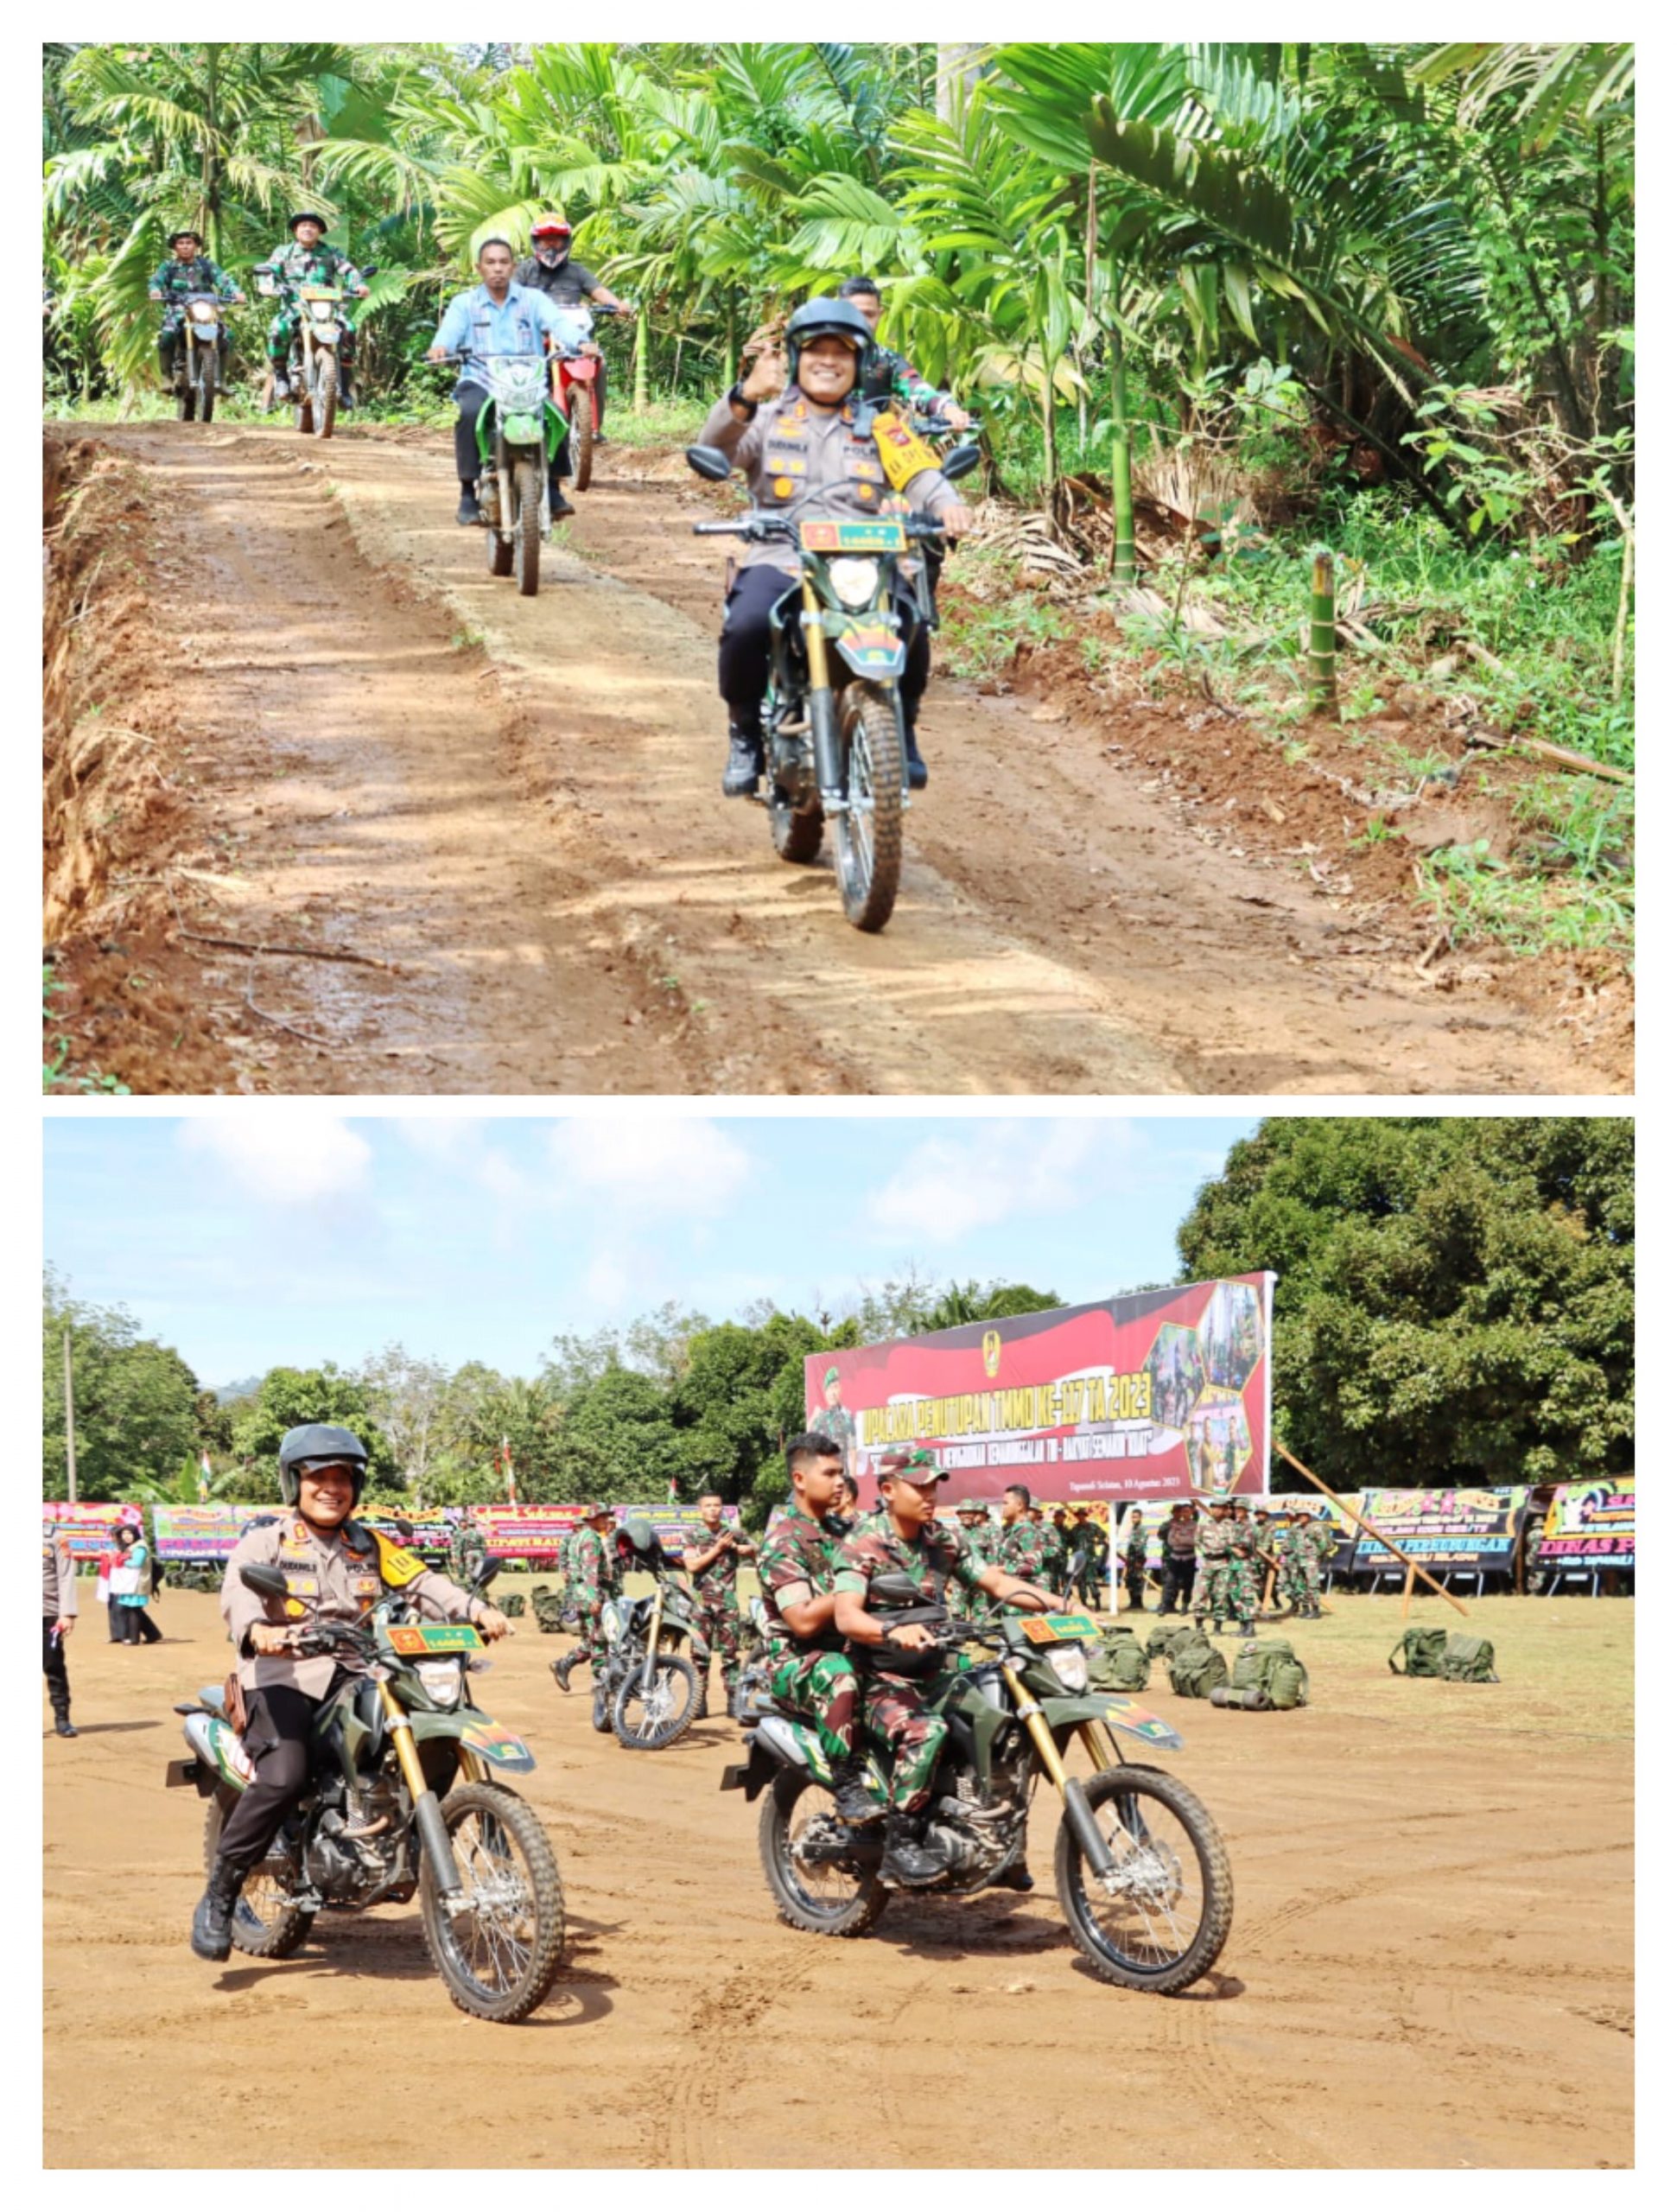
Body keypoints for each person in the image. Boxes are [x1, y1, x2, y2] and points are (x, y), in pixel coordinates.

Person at [190, 1423, 509, 1961]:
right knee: (286, 1774)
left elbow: (422, 1584)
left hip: (358, 1670)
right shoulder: (266, 1540)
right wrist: (258, 1631)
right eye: (318, 1477)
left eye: (342, 1478)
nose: (331, 1488)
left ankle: (393, 1830)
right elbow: (239, 1592)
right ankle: (219, 1898)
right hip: (283, 1674)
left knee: (426, 1716)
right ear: (295, 1483)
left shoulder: (369, 1543)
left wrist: (475, 1609)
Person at [696, 294, 975, 798]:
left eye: (842, 352)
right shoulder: (768, 417)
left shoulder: (882, 424)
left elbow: (923, 475)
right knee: (746, 626)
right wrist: (744, 396)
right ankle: (743, 736)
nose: (829, 361)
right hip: (782, 557)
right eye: (817, 350)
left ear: (858, 362)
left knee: (909, 619)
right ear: (799, 356)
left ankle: (903, 730)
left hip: (861, 561)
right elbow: (715, 448)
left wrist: (948, 505)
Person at [835, 1448, 1057, 1888]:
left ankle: (997, 1844)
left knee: (1004, 1726)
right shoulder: (864, 1542)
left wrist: (1060, 1604)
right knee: (926, 1731)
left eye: (934, 1485)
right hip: (880, 1678)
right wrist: (889, 1632)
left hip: (936, 1671)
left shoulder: (943, 1538)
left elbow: (995, 1582)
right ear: (887, 1490)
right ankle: (901, 1843)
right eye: (919, 1486)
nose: (930, 1494)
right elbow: (846, 1616)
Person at [753, 1433, 883, 1825]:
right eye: (829, 1473)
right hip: (799, 1662)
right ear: (799, 1479)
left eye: (841, 1472)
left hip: (854, 1649)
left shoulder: (848, 1532)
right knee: (837, 1675)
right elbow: (804, 1620)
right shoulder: (783, 1541)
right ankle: (847, 1788)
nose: (840, 1481)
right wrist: (855, 1584)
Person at [427, 236, 584, 526]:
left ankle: (553, 488)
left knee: (556, 416)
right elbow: (449, 332)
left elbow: (559, 323)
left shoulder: (533, 300)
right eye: (490, 262)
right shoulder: (465, 303)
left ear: (513, 267)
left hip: (528, 382)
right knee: (468, 413)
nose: (497, 268)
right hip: (481, 379)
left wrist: (581, 342)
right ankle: (467, 494)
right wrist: (441, 348)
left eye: (503, 262)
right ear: (479, 268)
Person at [514, 217, 631, 437]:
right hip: (534, 336)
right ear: (536, 242)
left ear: (566, 242)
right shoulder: (524, 271)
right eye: (546, 241)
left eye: (556, 241)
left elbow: (598, 291)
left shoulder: (577, 271)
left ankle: (594, 428)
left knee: (600, 364)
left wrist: (617, 305)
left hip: (573, 336)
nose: (551, 246)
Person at [257, 212, 368, 408]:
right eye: (303, 226)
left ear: (320, 232)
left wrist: (359, 285)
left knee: (349, 329)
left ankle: (343, 381)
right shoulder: (284, 252)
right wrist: (267, 285)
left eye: (313, 226)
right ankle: (282, 377)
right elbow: (270, 270)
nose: (308, 229)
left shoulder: (331, 252)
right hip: (295, 306)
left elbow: (348, 270)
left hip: (327, 307)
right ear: (295, 231)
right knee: (278, 328)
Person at [835, 276, 972, 429]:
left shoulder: (885, 360)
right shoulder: (814, 356)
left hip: (872, 444)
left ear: (880, 315)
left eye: (869, 314)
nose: (861, 321)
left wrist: (947, 409)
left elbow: (916, 387)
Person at [682, 1493, 757, 1719]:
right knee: (699, 1655)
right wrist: (718, 1549)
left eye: (717, 1506)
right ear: (700, 1510)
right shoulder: (692, 1534)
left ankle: (734, 1701)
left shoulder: (734, 1533)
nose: (713, 1510)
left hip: (728, 1602)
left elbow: (756, 1551)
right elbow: (692, 1566)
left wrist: (747, 1550)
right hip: (701, 1603)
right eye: (708, 1506)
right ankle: (699, 1701)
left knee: (731, 1655)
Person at [147, 230, 244, 391]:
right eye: (181, 243)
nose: (185, 247)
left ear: (196, 246)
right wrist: (155, 290)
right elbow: (156, 281)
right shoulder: (168, 267)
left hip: (205, 307)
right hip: (178, 308)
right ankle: (166, 377)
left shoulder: (206, 265)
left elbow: (224, 280)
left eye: (189, 243)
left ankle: (222, 380)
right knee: (167, 335)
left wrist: (236, 292)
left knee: (227, 335)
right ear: (175, 247)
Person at [549, 1502, 619, 1693]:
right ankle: (600, 1683)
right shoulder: (591, 1540)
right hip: (589, 1596)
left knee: (591, 1639)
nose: (607, 1520)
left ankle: (563, 1665)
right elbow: (590, 1571)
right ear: (594, 1519)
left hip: (578, 1595)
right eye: (603, 1517)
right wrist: (593, 1598)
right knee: (600, 1640)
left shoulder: (578, 1537)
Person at [42, 1519, 79, 1738]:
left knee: (53, 1665)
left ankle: (62, 1717)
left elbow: (65, 1576)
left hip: (46, 1613)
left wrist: (67, 1613)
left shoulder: (54, 1537)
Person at [112, 1522, 162, 1644]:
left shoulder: (140, 1547)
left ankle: (134, 1638)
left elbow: (136, 1563)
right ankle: (153, 1634)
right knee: (133, 1609)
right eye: (124, 1534)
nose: (126, 1536)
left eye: (129, 1533)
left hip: (138, 1583)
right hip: (129, 1583)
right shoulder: (130, 1547)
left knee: (134, 1610)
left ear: (135, 1534)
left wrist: (121, 1562)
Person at [994, 1483, 1052, 1583]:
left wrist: (1002, 1569)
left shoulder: (1026, 1530)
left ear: (1020, 1505)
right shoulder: (1010, 1530)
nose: (1002, 1507)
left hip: (1020, 1592)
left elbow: (1034, 1566)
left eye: (1005, 1503)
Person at [810, 1367, 859, 1485]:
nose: (832, 1393)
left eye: (835, 1388)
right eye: (829, 1389)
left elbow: (853, 1451)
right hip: (823, 1477)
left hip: (841, 1476)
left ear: (840, 1390)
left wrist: (852, 1481)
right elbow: (808, 1439)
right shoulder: (820, 1418)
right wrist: (813, 1417)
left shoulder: (846, 1417)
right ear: (825, 1393)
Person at [1158, 1501, 1199, 1615]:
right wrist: (1184, 1540)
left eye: (1187, 1511)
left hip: (1189, 1558)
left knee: (1187, 1583)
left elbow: (1194, 1541)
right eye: (1182, 1511)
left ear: (1191, 1512)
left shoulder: (1195, 1525)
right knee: (1169, 1582)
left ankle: (1185, 1605)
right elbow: (1170, 1541)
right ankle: (1164, 1605)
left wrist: (1180, 1539)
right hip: (1175, 1557)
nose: (1184, 1513)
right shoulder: (1175, 1525)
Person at [1124, 1506, 1152, 1612]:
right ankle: (1132, 1602)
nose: (1134, 1519)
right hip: (1131, 1558)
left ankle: (1138, 1603)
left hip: (1138, 1558)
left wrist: (1139, 1560)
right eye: (1132, 1517)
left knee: (1138, 1580)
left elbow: (1140, 1545)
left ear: (1140, 1517)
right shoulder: (1133, 1528)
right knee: (1130, 1580)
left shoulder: (1142, 1529)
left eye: (1136, 1517)